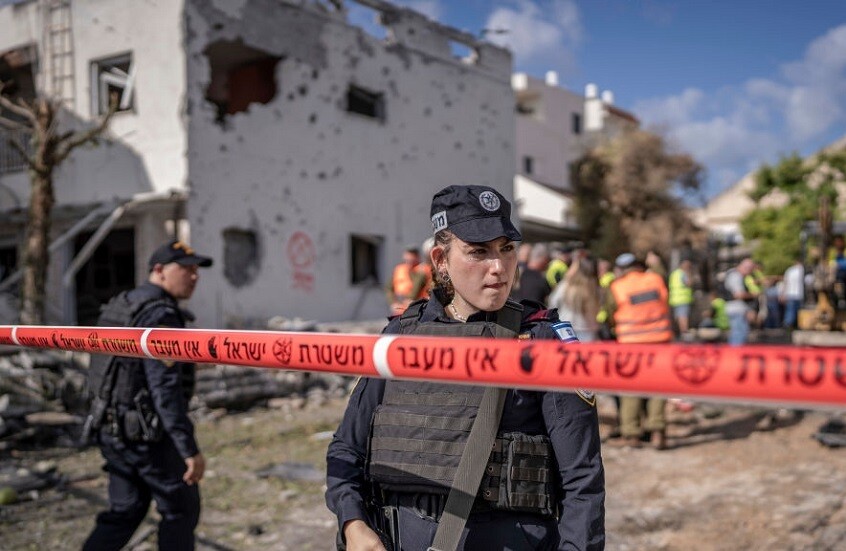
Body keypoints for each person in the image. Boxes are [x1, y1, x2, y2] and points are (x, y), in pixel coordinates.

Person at [326, 185, 605, 551]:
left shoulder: (541, 341)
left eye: (507, 248)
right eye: (478, 251)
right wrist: (353, 523)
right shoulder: (401, 337)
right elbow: (346, 449)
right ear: (440, 259)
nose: (498, 267)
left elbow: (582, 480)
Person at [82, 240, 212, 551]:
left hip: (112, 429)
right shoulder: (160, 315)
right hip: (145, 438)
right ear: (159, 270)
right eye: (186, 269)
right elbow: (164, 389)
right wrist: (187, 448)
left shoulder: (123, 303)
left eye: (196, 270)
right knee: (180, 510)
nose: (194, 276)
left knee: (125, 511)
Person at [606, 253, 673, 450]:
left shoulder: (617, 286)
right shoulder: (656, 279)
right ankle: (657, 432)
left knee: (631, 387)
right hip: (660, 340)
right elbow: (666, 299)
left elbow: (610, 313)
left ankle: (632, 434)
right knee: (658, 386)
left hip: (630, 343)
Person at [548, 257, 600, 342]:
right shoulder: (594, 287)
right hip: (588, 329)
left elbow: (553, 303)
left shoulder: (566, 285)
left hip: (566, 328)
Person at [724, 258, 758, 346]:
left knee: (739, 332)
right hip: (736, 309)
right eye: (750, 270)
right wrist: (753, 295)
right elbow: (738, 294)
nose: (750, 273)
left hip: (737, 308)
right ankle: (735, 353)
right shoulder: (736, 276)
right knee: (739, 333)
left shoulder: (737, 276)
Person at [385, 246, 426, 316]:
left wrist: (410, 299)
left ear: (417, 257)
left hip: (415, 308)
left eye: (411, 259)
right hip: (398, 307)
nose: (409, 261)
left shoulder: (422, 270)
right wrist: (393, 302)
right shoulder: (399, 269)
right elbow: (388, 287)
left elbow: (418, 287)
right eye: (407, 259)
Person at [668, 258, 695, 336]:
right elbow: (689, 283)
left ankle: (677, 332)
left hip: (674, 299)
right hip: (683, 299)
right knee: (683, 316)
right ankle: (684, 332)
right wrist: (689, 274)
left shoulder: (674, 273)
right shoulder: (683, 273)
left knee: (677, 316)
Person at [782, 256, 805, 329]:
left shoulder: (789, 270)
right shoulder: (802, 270)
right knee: (797, 311)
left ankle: (788, 325)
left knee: (790, 311)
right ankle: (792, 325)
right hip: (799, 294)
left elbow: (785, 283)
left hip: (790, 294)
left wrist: (783, 294)